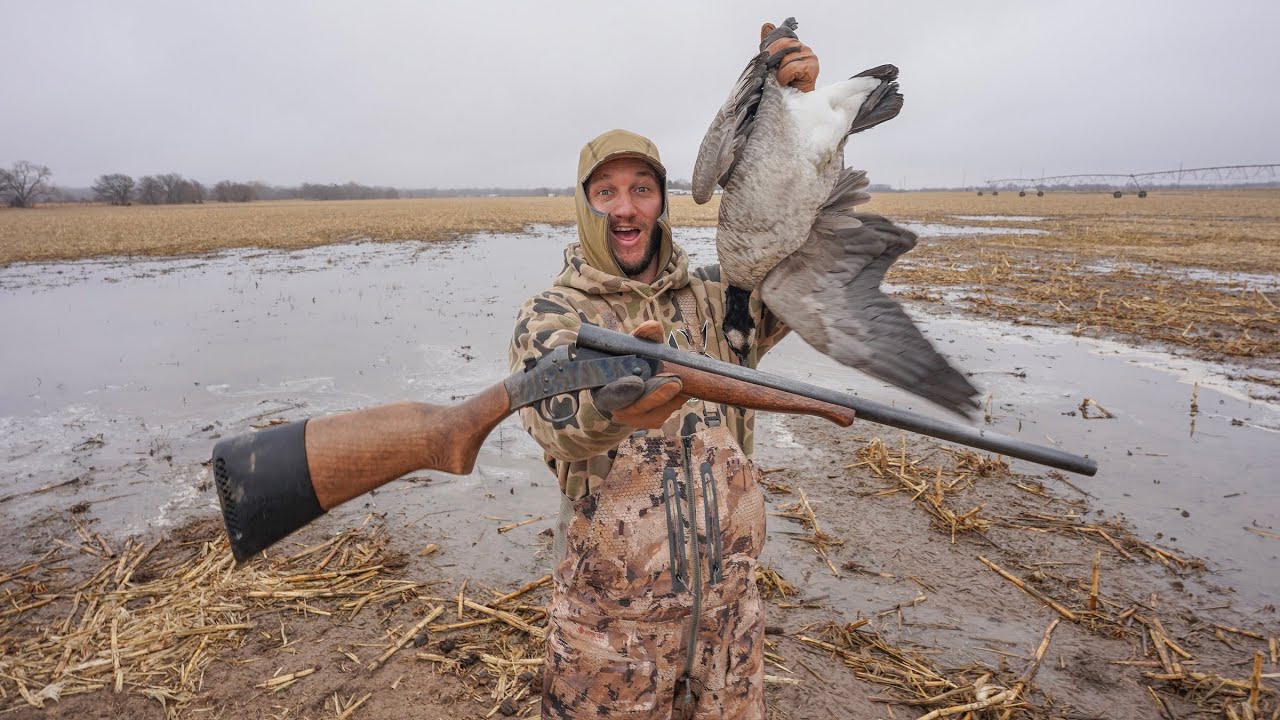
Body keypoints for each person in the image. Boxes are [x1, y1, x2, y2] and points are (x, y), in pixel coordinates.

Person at [509, 31, 820, 720]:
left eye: (642, 189)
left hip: (727, 630)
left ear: (661, 202)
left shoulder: (718, 300)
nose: (626, 207)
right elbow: (553, 416)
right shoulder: (554, 312)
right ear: (586, 205)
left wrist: (792, 113)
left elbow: (802, 262)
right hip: (609, 639)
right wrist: (612, 404)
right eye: (607, 192)